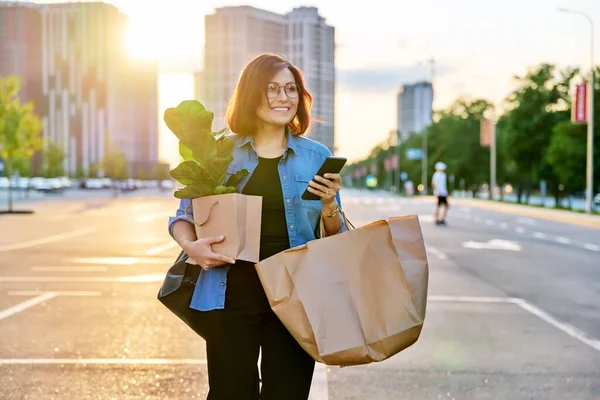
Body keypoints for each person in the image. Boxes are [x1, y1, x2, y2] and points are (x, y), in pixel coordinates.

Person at [167, 53, 347, 400]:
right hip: (231, 291)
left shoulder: (315, 156)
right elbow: (182, 218)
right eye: (272, 89)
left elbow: (335, 237)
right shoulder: (222, 152)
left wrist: (328, 206)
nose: (284, 97)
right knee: (230, 393)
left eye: (291, 89)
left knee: (288, 393)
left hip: (296, 294)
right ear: (251, 95)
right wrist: (192, 248)